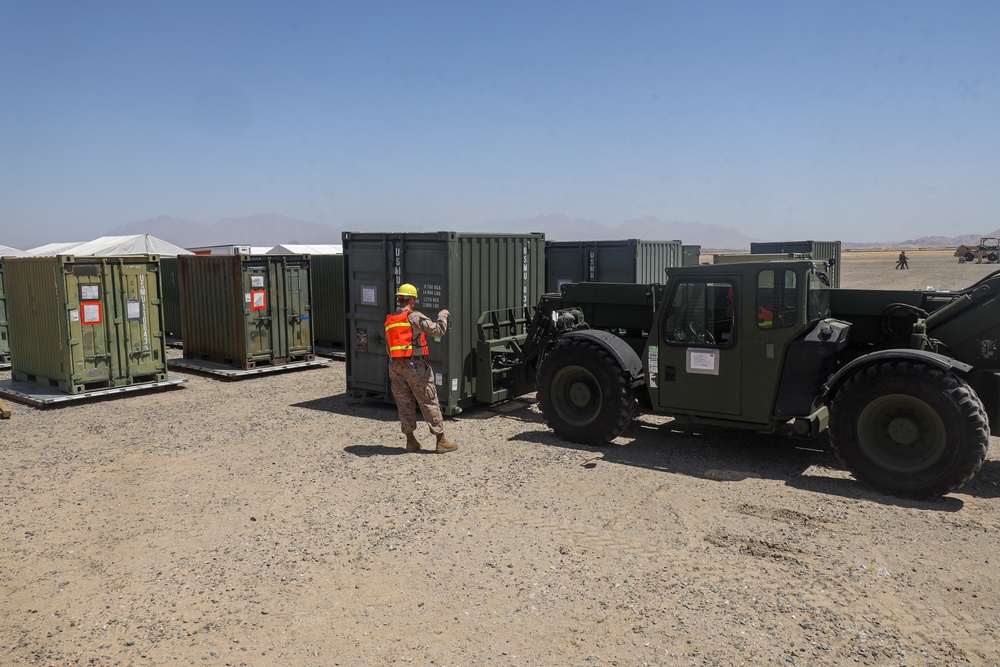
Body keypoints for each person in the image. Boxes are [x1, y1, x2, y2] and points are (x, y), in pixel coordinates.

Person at [384, 283, 458, 453]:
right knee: (428, 400)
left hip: (395, 366)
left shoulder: (390, 320)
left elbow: (388, 347)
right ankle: (441, 441)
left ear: (399, 299)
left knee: (404, 403)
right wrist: (442, 315)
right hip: (414, 366)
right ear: (412, 300)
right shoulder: (414, 317)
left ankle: (411, 441)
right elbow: (438, 331)